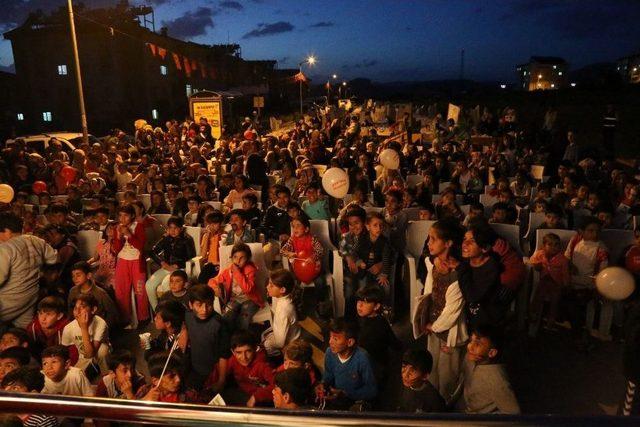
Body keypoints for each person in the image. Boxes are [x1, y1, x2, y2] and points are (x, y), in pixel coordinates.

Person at [413, 218, 467, 404]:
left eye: (433, 239)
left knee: (448, 374)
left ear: (449, 243)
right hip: (433, 326)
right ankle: (434, 401)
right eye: (429, 238)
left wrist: (433, 325)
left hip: (448, 332)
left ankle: (447, 409)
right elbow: (429, 289)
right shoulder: (433, 263)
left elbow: (452, 312)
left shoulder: (457, 274)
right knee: (432, 365)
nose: (428, 243)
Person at [0, 212, 58, 329]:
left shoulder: (5, 248)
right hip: (30, 297)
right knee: (26, 333)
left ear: (7, 231)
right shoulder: (35, 240)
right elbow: (54, 258)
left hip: (8, 301)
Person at [564, 217, 609, 347]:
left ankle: (578, 335)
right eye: (590, 231)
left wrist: (594, 286)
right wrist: (570, 266)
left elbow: (602, 272)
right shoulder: (575, 240)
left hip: (587, 285)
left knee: (575, 303)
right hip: (570, 280)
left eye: (597, 231)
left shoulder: (601, 249)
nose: (595, 234)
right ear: (581, 231)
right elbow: (567, 257)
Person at [316, 318, 377, 410]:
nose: (330, 342)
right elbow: (328, 374)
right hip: (336, 399)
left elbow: (372, 390)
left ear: (350, 342)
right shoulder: (329, 353)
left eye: (335, 339)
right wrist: (323, 384)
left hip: (355, 402)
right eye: (330, 337)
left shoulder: (362, 358)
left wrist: (346, 394)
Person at [460, 326, 520, 414]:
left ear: (491, 353)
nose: (469, 347)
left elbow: (513, 413)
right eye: (470, 341)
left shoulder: (496, 380)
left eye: (477, 344)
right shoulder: (471, 358)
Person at [183, 285, 230, 397]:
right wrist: (183, 331)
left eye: (209, 305)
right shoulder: (188, 315)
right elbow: (185, 324)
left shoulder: (219, 324)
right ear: (191, 304)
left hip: (213, 373)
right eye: (199, 305)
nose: (204, 310)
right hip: (195, 367)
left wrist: (221, 381)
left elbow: (224, 355)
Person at [208, 243, 264, 331]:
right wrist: (215, 287)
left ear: (248, 259)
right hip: (234, 299)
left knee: (243, 318)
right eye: (235, 257)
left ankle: (241, 339)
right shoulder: (229, 271)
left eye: (242, 258)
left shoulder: (250, 270)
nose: (238, 261)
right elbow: (212, 281)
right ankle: (230, 338)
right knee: (227, 317)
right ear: (232, 258)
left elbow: (247, 289)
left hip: (250, 300)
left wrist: (236, 272)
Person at [146, 216, 196, 310]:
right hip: (166, 267)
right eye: (170, 228)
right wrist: (162, 263)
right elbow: (152, 252)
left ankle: (172, 312)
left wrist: (178, 265)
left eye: (175, 228)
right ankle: (158, 311)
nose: (172, 231)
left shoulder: (187, 239)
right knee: (149, 285)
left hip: (181, 269)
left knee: (166, 284)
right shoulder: (166, 238)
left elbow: (191, 257)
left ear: (181, 228)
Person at [355, 286, 401, 383]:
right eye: (359, 301)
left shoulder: (379, 325)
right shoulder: (364, 317)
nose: (360, 305)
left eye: (366, 302)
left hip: (374, 367)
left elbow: (393, 342)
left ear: (376, 306)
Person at [113, 205, 148, 327]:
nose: (122, 218)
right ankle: (125, 318)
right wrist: (118, 237)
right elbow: (116, 249)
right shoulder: (117, 228)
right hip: (123, 260)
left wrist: (129, 234)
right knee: (121, 290)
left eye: (126, 215)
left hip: (137, 260)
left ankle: (143, 317)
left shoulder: (138, 226)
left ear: (132, 216)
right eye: (120, 215)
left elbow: (141, 246)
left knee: (140, 290)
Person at [528, 233, 570, 335]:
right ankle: (533, 314)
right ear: (544, 246)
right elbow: (531, 260)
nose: (554, 247)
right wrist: (536, 265)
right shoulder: (540, 254)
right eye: (550, 244)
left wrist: (566, 284)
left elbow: (565, 273)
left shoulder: (562, 259)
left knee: (555, 302)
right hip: (544, 281)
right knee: (538, 295)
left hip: (556, 283)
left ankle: (551, 321)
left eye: (556, 244)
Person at [61, 294, 110, 376]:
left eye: (82, 307)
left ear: (93, 309)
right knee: (75, 376)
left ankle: (106, 376)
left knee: (102, 351)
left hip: (96, 352)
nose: (78, 312)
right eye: (75, 308)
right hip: (82, 355)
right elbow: (64, 351)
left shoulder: (100, 323)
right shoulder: (68, 328)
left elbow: (91, 354)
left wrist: (84, 328)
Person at [223, 331, 275, 407]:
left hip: (262, 400)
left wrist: (256, 397)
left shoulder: (263, 364)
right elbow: (217, 373)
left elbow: (277, 386)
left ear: (255, 349)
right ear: (233, 352)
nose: (244, 357)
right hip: (244, 394)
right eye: (239, 352)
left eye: (248, 351)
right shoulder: (233, 360)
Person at [67, 261, 119, 328]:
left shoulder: (100, 293)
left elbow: (112, 313)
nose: (75, 278)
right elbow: (70, 310)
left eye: (78, 275)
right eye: (73, 276)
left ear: (88, 275)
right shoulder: (73, 292)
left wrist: (103, 327)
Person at [262, 269, 301, 356]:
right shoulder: (280, 297)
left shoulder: (284, 310)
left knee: (265, 344)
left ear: (282, 290)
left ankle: (277, 359)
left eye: (271, 286)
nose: (267, 287)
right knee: (264, 335)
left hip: (290, 345)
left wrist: (268, 342)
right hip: (286, 335)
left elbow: (280, 343)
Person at [338, 207, 368, 319]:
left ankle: (361, 317)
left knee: (362, 291)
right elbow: (341, 249)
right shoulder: (347, 236)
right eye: (350, 224)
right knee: (349, 291)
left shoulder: (368, 237)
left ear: (364, 223)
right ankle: (349, 318)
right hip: (350, 271)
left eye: (357, 223)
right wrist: (348, 257)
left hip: (364, 271)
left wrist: (357, 261)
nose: (353, 226)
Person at [397, 349, 446, 413]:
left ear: (425, 376)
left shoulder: (434, 400)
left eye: (412, 371)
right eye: (404, 367)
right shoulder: (401, 385)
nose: (405, 375)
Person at [87, 221, 118, 291]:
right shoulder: (101, 242)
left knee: (110, 288)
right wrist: (86, 263)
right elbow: (95, 258)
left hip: (113, 273)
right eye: (109, 228)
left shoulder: (118, 245)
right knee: (90, 285)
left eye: (114, 229)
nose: (110, 230)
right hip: (101, 272)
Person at [198, 211, 225, 284]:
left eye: (215, 223)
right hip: (209, 265)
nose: (212, 226)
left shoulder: (224, 235)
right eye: (210, 224)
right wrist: (207, 236)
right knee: (203, 278)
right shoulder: (206, 236)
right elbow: (203, 256)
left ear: (220, 223)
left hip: (220, 265)